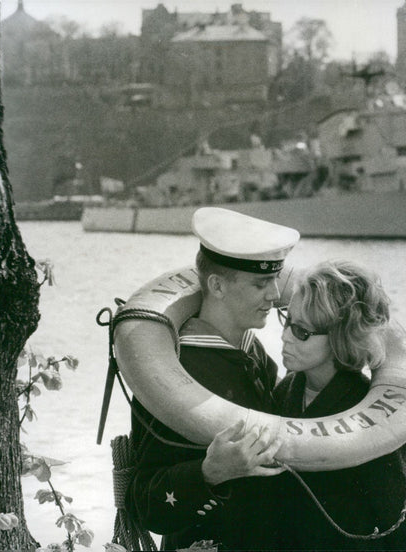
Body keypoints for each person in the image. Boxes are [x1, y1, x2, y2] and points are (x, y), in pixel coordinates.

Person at [125, 207, 300, 550]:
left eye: (275, 281)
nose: (274, 294)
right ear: (217, 286)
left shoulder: (256, 356)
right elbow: (144, 502)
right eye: (260, 283)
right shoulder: (173, 371)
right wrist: (209, 473)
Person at [273, 260, 406, 551]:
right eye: (288, 321)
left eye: (302, 331)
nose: (285, 336)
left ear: (340, 338)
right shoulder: (283, 393)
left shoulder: (370, 413)